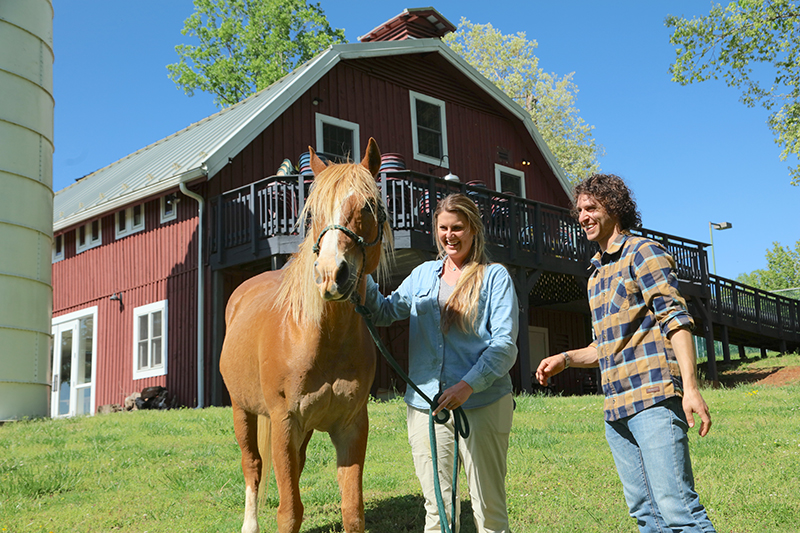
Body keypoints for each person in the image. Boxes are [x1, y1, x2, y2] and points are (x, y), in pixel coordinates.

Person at [536, 174, 716, 533]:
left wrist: (691, 388)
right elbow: (603, 346)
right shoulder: (595, 274)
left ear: (615, 210)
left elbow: (676, 320)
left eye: (592, 208)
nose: (583, 216)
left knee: (678, 510)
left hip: (653, 399)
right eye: (580, 210)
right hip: (616, 409)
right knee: (645, 515)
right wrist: (566, 358)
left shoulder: (642, 253)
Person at [364, 193, 518, 533]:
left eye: (458, 228)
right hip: (426, 408)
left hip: (482, 403)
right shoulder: (422, 276)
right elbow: (386, 312)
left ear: (474, 230)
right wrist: (360, 270)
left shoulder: (494, 278)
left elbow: (504, 346)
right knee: (437, 510)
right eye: (443, 228)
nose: (450, 235)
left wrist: (467, 386)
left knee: (488, 506)